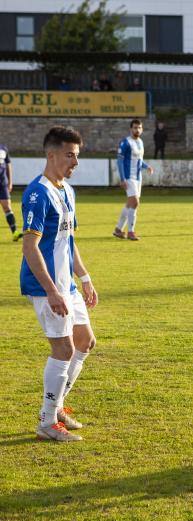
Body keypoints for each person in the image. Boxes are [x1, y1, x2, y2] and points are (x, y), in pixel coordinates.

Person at [21, 126, 98, 442]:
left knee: (85, 341)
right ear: (51, 154)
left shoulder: (68, 190)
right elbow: (30, 247)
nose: (75, 163)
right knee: (64, 348)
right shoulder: (37, 193)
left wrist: (85, 277)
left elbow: (68, 241)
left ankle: (59, 407)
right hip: (46, 286)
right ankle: (47, 422)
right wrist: (52, 290)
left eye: (77, 155)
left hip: (67, 285)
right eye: (70, 155)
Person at [114, 119, 153, 241]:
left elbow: (139, 161)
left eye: (139, 128)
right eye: (135, 127)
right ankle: (131, 232)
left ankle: (118, 229)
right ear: (131, 129)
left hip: (138, 178)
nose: (137, 130)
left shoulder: (140, 142)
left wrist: (147, 167)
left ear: (142, 129)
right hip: (128, 177)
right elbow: (119, 161)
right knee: (135, 202)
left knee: (130, 204)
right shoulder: (126, 142)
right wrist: (122, 179)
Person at [0, 142, 22, 241]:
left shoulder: (3, 148)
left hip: (2, 183)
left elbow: (8, 165)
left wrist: (10, 182)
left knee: (7, 207)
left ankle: (15, 233)